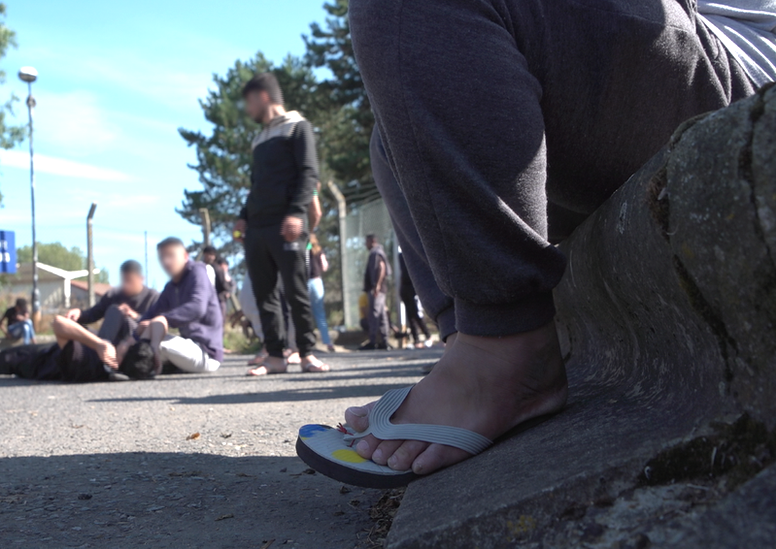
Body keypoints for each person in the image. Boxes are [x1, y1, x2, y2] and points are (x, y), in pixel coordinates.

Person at [322, 0, 775, 479]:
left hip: (743, 64)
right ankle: (470, 341)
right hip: (638, 93)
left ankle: (503, 343)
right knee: (395, 136)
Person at [233, 72, 329, 375]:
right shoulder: (258, 139)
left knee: (296, 291)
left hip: (287, 224)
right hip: (257, 228)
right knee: (265, 294)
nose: (247, 109)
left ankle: (307, 354)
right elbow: (256, 185)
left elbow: (308, 173)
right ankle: (275, 357)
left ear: (263, 96)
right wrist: (242, 217)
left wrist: (296, 213)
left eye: (249, 102)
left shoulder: (298, 127)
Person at [126, 237, 225, 374]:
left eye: (171, 256)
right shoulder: (171, 286)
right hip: (186, 348)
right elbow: (151, 314)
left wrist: (165, 319)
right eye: (162, 257)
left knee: (150, 341)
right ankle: (131, 364)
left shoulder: (197, 271)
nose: (166, 261)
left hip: (207, 353)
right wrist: (130, 340)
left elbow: (198, 307)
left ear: (185, 256)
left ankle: (136, 367)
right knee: (144, 336)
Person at [0, 315, 133, 383]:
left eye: (126, 346)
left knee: (3, 359)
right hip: (50, 351)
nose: (124, 343)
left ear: (118, 360)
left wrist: (98, 344)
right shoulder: (110, 353)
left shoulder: (87, 362)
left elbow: (59, 323)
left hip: (36, 361)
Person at [65, 260, 159, 345]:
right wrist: (80, 314)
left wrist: (134, 315)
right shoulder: (113, 294)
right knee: (75, 330)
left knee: (115, 311)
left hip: (137, 341)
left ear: (141, 279)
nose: (126, 285)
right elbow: (93, 314)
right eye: (124, 280)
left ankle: (102, 352)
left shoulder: (153, 297)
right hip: (111, 340)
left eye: (130, 281)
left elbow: (158, 326)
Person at [361, 234, 390, 350]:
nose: (365, 244)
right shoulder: (378, 252)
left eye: (367, 242)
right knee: (382, 316)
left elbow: (382, 267)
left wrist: (377, 286)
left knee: (374, 314)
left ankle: (372, 342)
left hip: (377, 289)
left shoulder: (375, 252)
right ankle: (384, 342)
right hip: (379, 289)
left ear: (372, 241)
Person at [398, 254, 432, 349]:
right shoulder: (401, 256)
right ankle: (416, 340)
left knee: (417, 313)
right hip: (405, 288)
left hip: (415, 288)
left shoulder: (415, 253)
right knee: (410, 315)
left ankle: (428, 336)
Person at [308, 234, 335, 352]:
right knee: (320, 314)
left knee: (305, 313)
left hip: (304, 282)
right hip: (317, 282)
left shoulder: (303, 251)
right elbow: (324, 266)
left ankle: (307, 341)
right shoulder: (319, 251)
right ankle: (328, 342)